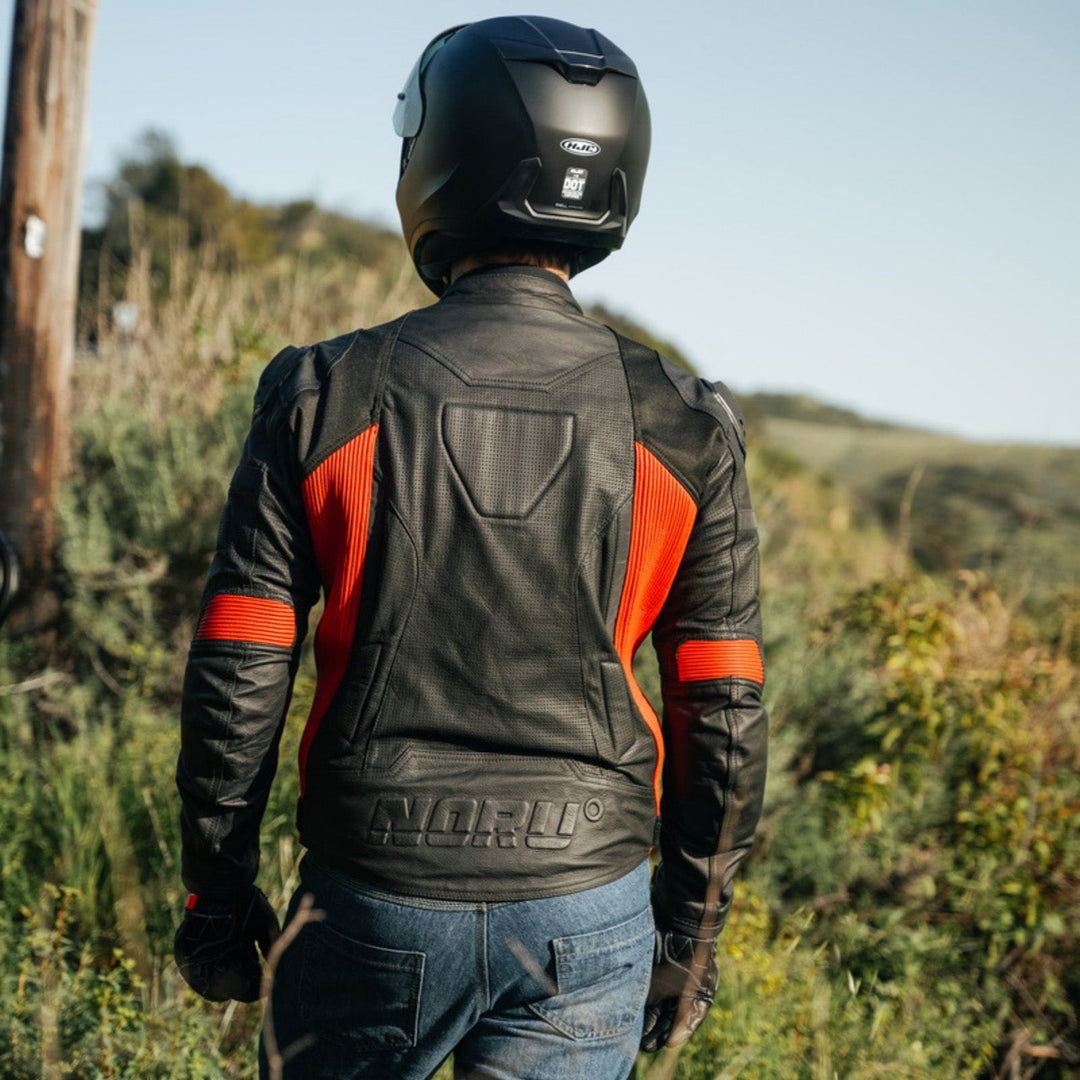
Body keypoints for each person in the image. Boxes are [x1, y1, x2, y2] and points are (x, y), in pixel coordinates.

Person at [174, 15, 767, 1080]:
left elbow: (240, 663)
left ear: (440, 152)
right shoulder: (687, 421)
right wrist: (695, 933)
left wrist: (215, 894)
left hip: (371, 899)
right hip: (588, 919)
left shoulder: (321, 392)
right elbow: (722, 709)